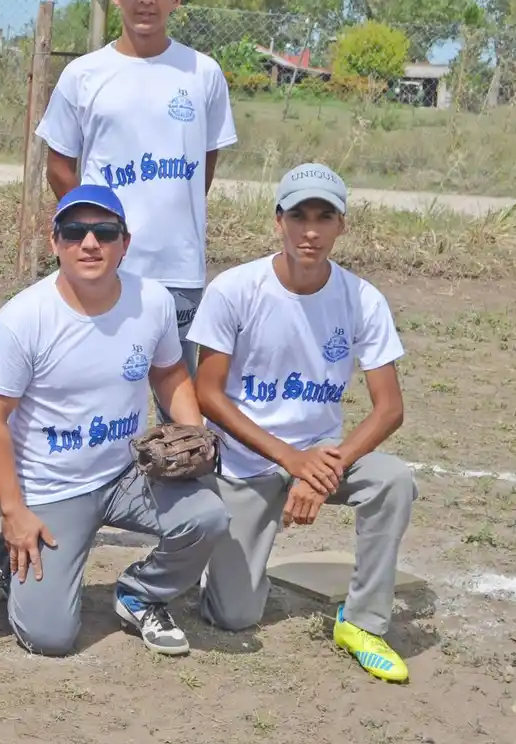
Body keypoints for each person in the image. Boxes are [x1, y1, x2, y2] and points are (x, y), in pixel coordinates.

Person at [0, 184, 230, 658]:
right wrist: (13, 511)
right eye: (75, 232)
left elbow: (170, 372)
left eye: (104, 232)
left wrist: (193, 435)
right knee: (49, 638)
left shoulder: (152, 301)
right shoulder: (23, 319)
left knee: (208, 514)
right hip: (52, 486)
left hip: (127, 472)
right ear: (55, 243)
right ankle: (9, 560)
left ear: (125, 244)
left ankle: (141, 593)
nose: (89, 244)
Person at [190, 163, 417, 683]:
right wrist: (290, 459)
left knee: (393, 480)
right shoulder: (235, 289)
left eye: (324, 216)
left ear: (342, 225)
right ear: (278, 222)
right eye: (298, 215)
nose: (310, 230)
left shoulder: (362, 298)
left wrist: (325, 467)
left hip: (319, 453)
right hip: (246, 461)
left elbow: (389, 408)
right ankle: (229, 565)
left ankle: (363, 622)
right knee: (234, 615)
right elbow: (207, 392)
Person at [34, 0, 237, 417]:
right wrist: (96, 230)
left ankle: (181, 484)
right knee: (97, 385)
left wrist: (171, 212)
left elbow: (203, 163)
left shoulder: (202, 73)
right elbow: (60, 167)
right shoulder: (85, 75)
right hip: (105, 263)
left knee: (178, 395)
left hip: (179, 267)